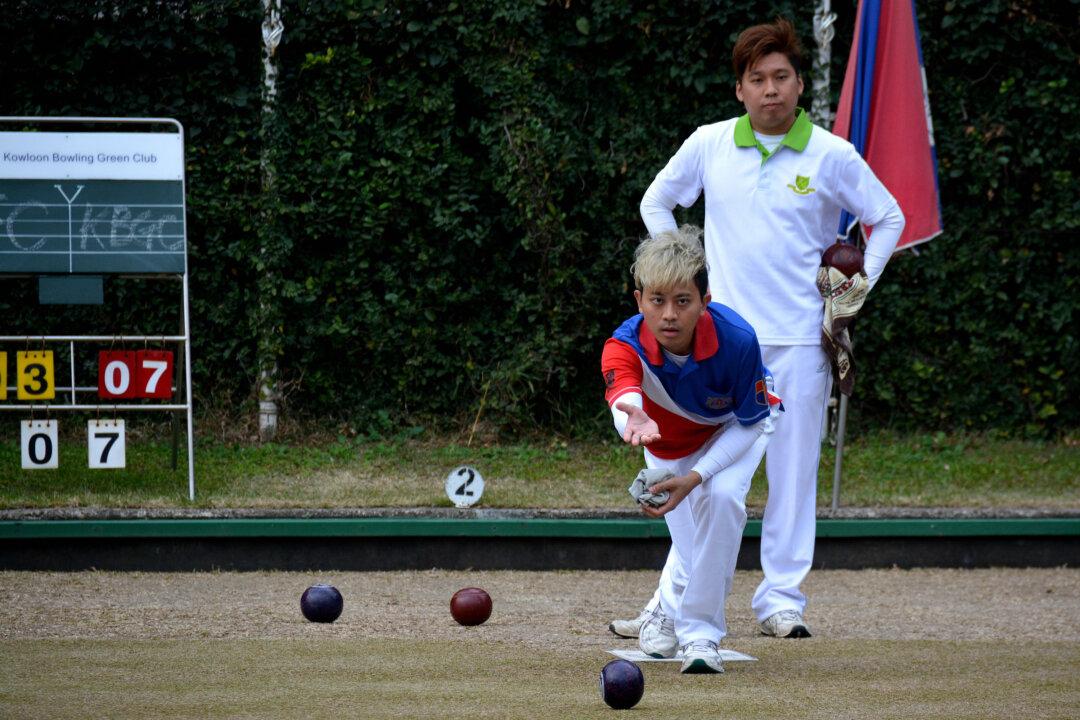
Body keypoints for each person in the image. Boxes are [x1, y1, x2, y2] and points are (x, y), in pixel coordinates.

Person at [611, 17, 905, 641]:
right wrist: (682, 275)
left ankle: (781, 601)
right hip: (724, 346)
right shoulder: (710, 143)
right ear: (739, 89)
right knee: (705, 478)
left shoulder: (833, 155)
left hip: (802, 342)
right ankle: (673, 604)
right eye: (757, 79)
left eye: (781, 77)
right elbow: (655, 203)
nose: (770, 89)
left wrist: (856, 291)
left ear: (799, 85)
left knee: (794, 475)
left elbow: (887, 216)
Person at [602, 225, 779, 674]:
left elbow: (752, 422)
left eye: (683, 301)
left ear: (705, 300)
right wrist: (634, 416)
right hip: (663, 440)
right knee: (691, 541)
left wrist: (699, 476)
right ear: (638, 299)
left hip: (735, 428)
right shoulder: (622, 344)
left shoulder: (738, 340)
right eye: (657, 300)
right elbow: (623, 393)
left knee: (721, 503)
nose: (669, 315)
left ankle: (702, 636)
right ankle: (665, 605)